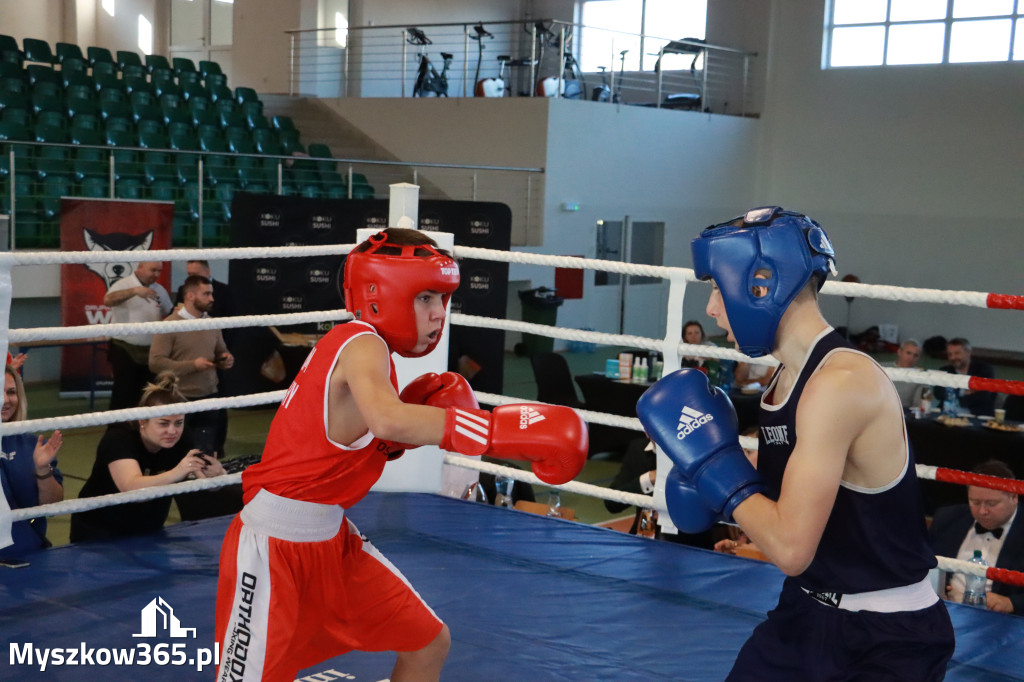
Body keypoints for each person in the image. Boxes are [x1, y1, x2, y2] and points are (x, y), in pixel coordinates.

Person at [215, 228, 588, 682]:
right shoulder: (359, 341)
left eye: (444, 299)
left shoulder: (364, 350)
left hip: (332, 539)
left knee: (428, 641)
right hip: (274, 543)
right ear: (378, 294)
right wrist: (493, 431)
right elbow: (388, 418)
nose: (439, 313)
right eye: (425, 297)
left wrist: (390, 445)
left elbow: (365, 435)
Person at [637, 206, 954, 680]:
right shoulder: (785, 379)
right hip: (805, 610)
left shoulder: (840, 383)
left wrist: (712, 465)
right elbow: (806, 492)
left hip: (887, 635)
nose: (711, 309)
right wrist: (719, 471)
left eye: (717, 288)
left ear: (759, 284)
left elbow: (789, 548)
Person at [69, 371, 227, 543]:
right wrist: (179, 471)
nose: (172, 431)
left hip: (149, 530)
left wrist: (217, 476)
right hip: (99, 532)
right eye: (163, 423)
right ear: (142, 421)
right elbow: (131, 488)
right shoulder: (119, 438)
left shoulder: (181, 438)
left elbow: (208, 485)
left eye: (178, 423)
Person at [150, 274, 234, 457]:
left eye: (211, 294)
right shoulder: (169, 325)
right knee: (176, 454)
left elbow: (221, 350)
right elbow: (156, 363)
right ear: (190, 295)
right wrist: (192, 365)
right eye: (206, 294)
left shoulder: (212, 323)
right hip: (179, 398)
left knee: (206, 453)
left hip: (209, 396)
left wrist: (225, 358)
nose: (212, 298)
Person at [929, 460, 1023, 614]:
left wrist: (1011, 602)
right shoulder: (947, 518)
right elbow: (921, 564)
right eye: (975, 502)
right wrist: (934, 586)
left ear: (1014, 497)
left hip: (1000, 623)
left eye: (992, 503)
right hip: (944, 613)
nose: (982, 511)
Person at [0, 365, 64, 559]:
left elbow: (52, 505)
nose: (5, 399)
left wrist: (42, 469)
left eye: (11, 392)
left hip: (26, 551)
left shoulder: (32, 444)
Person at [103, 261, 173, 410]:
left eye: (159, 271)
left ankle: (142, 430)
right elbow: (108, 300)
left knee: (147, 393)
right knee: (123, 393)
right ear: (140, 268)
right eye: (153, 270)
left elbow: (170, 312)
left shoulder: (159, 290)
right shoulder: (124, 284)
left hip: (150, 350)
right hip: (124, 347)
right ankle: (118, 429)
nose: (156, 274)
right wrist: (134, 291)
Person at [933, 337, 996, 416]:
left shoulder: (984, 369)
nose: (953, 358)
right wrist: (965, 391)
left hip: (977, 417)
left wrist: (953, 394)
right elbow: (938, 393)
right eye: (950, 354)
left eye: (957, 353)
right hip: (947, 415)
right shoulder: (945, 370)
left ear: (968, 353)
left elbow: (984, 396)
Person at [889, 338, 926, 409]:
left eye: (915, 355)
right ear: (899, 352)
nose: (911, 358)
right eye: (908, 353)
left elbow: (918, 405)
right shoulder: (881, 368)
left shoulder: (921, 376)